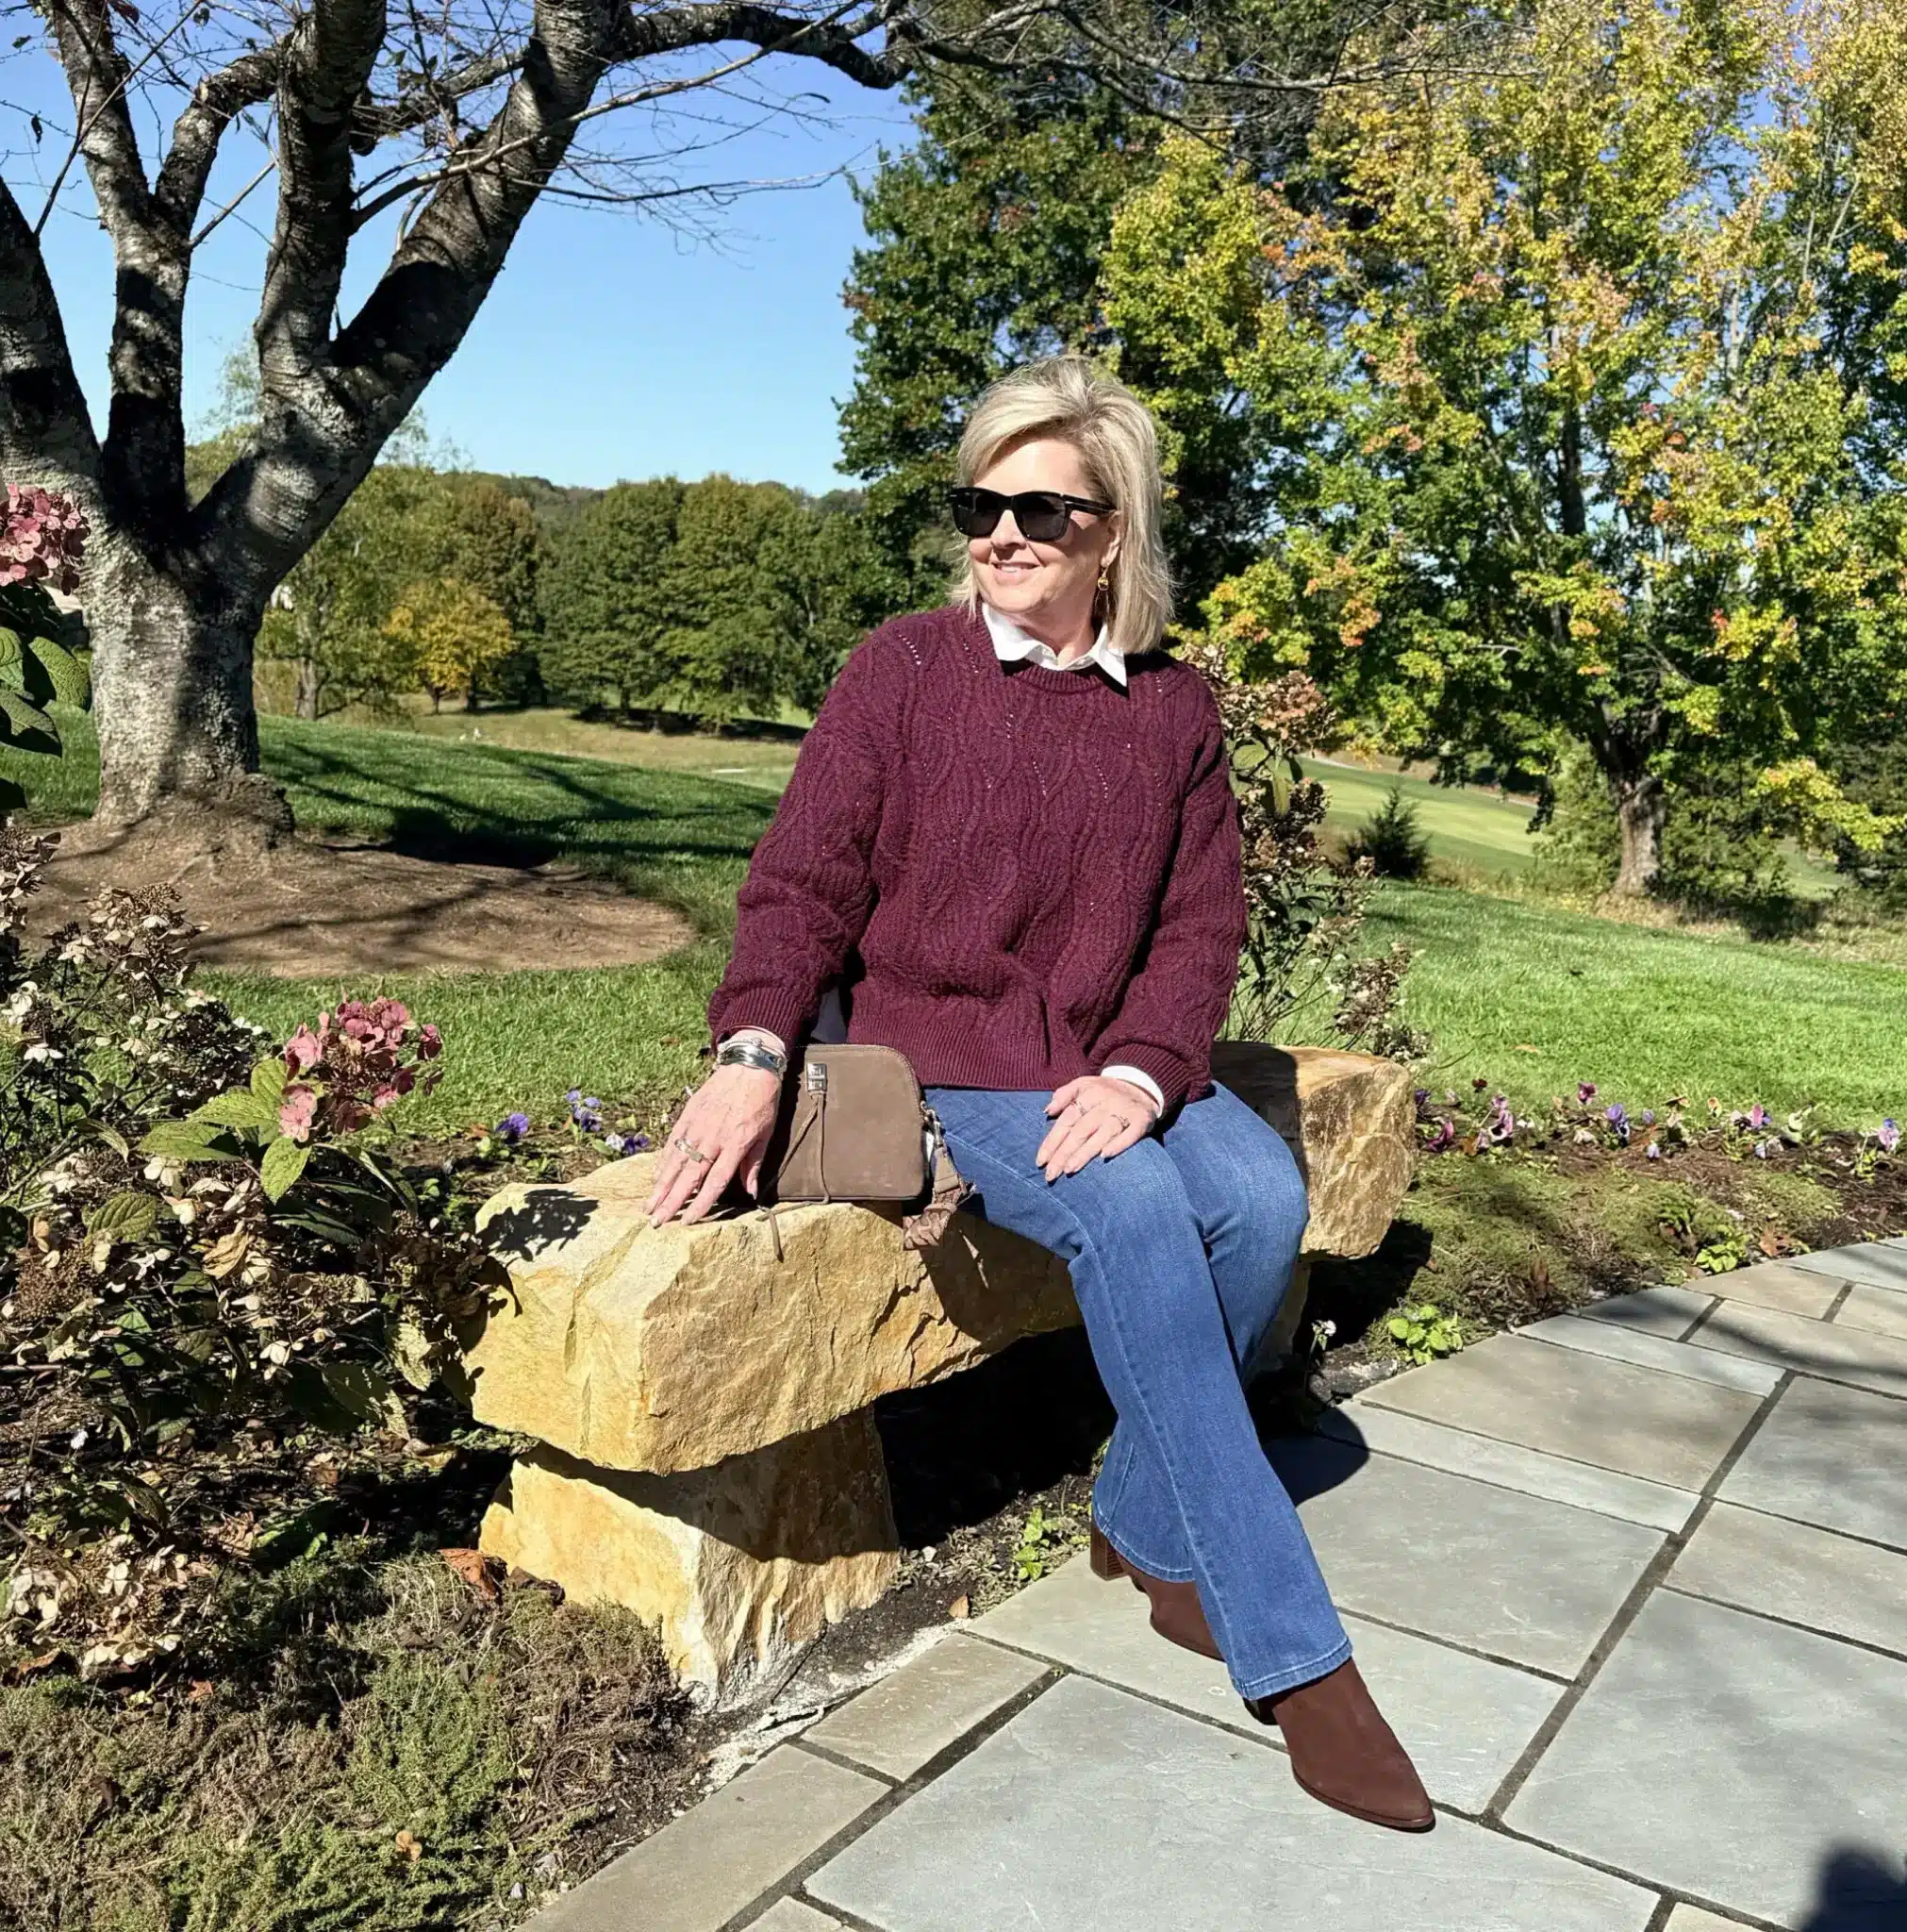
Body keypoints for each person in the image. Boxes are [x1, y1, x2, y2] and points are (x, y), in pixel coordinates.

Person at [645, 356, 1433, 1834]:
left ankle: (1139, 1521)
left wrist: (1142, 1073)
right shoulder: (903, 672)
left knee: (1258, 1196)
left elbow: (1199, 931)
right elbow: (802, 884)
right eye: (979, 502)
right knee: (1135, 1215)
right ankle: (1294, 1652)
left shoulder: (1172, 713)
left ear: (1112, 536)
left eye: (1041, 510)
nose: (1000, 533)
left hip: (1102, 1056)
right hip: (945, 1062)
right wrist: (752, 1052)